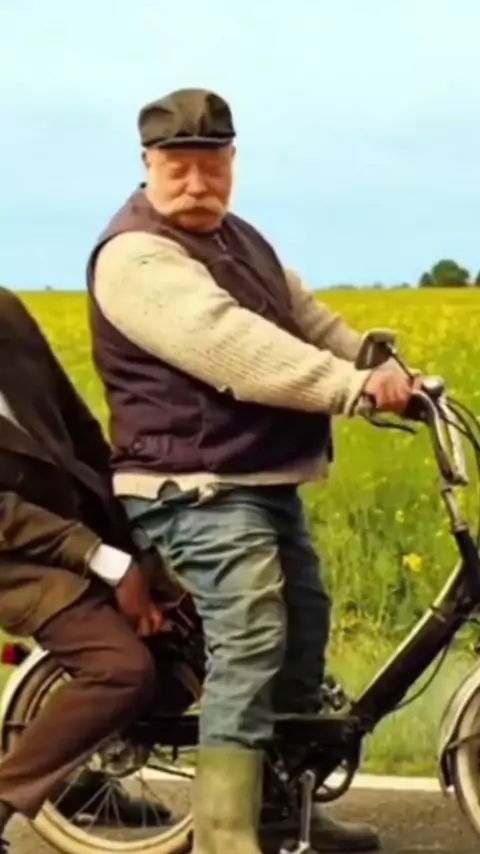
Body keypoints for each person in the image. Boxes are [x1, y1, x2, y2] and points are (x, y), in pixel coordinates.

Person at [86, 88, 419, 854]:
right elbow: (233, 347)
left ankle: (282, 808)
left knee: (304, 631)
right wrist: (352, 389)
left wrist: (393, 372)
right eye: (179, 167)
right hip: (190, 486)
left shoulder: (243, 242)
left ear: (233, 162)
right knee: (253, 632)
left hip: (258, 479)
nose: (197, 183)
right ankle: (225, 834)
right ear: (147, 163)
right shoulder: (136, 255)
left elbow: (307, 319)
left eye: (213, 165)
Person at [0, 287, 187, 851]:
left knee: (206, 629)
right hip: (15, 562)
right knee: (120, 669)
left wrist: (136, 535)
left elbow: (79, 428)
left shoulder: (5, 310)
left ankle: (83, 777)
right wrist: (105, 560)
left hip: (79, 527)